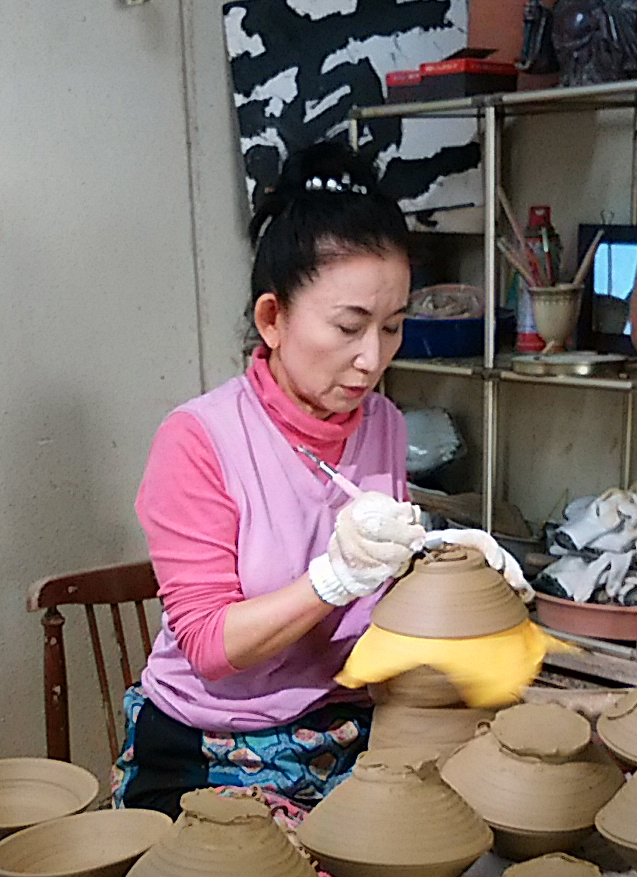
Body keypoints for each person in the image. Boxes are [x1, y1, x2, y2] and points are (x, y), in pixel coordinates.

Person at [114, 139, 524, 820]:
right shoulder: (200, 439)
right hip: (208, 742)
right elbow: (211, 645)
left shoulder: (382, 424)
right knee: (270, 873)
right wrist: (332, 580)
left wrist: (444, 560)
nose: (372, 358)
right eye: (349, 326)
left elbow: (379, 603)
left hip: (348, 732)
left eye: (392, 328)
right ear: (272, 319)